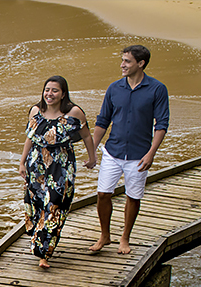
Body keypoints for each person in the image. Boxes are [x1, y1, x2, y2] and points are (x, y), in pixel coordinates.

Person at [89, 44, 170, 254]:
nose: (122, 64)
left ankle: (125, 238)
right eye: (122, 60)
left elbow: (161, 124)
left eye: (127, 61)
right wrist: (92, 150)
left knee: (133, 197)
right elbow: (102, 121)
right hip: (112, 151)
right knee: (103, 194)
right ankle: (104, 235)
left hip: (139, 154)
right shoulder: (114, 88)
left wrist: (151, 153)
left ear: (140, 63)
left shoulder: (157, 89)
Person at [20, 76, 97, 269]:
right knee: (36, 204)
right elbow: (30, 137)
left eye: (55, 90)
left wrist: (92, 157)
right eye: (47, 90)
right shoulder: (35, 111)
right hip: (36, 164)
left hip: (61, 166)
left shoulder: (74, 112)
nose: (50, 94)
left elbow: (86, 135)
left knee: (55, 205)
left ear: (63, 93)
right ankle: (39, 240)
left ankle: (43, 254)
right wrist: (22, 162)